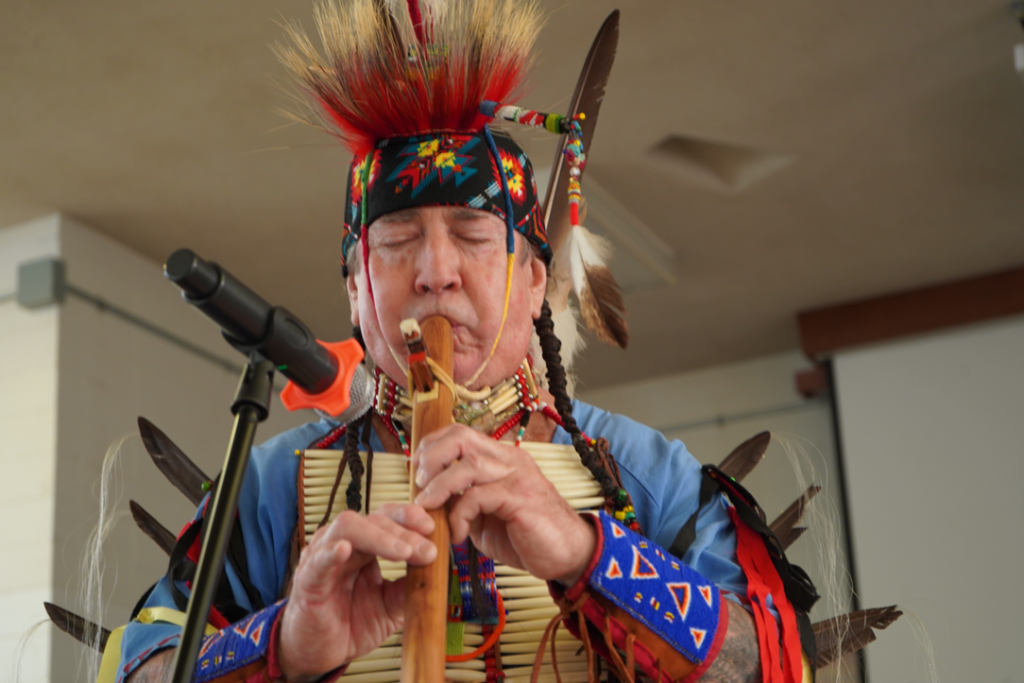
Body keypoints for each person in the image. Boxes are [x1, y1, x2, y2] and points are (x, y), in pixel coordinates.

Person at [100, 2, 841, 682]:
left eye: (472, 235)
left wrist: (589, 552)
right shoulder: (264, 490)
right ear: (354, 287)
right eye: (396, 239)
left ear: (531, 281)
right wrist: (285, 643)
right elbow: (137, 668)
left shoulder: (644, 476)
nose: (436, 272)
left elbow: (770, 664)